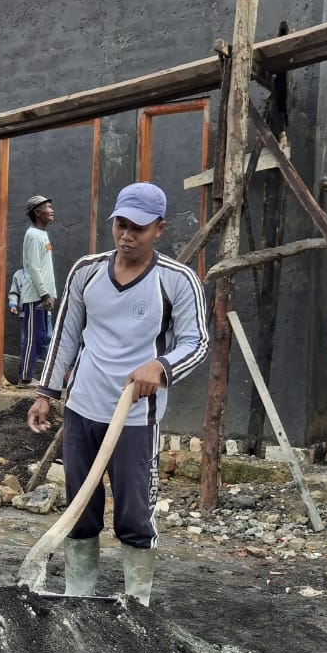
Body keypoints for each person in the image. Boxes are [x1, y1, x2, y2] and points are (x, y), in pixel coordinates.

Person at [27, 182, 208, 605]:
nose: (127, 236)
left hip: (135, 417)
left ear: (159, 229)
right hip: (82, 409)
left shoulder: (176, 280)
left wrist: (161, 366)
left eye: (138, 229)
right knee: (79, 507)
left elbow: (196, 342)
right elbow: (66, 334)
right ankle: (78, 598)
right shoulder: (86, 271)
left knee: (134, 514)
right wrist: (45, 393)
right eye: (120, 225)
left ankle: (136, 606)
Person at [19, 194, 58, 385]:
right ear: (37, 212)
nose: (51, 210)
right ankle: (25, 378)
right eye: (48, 207)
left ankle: (30, 376)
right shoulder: (33, 235)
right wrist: (44, 294)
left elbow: (45, 268)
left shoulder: (42, 234)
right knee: (33, 337)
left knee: (42, 336)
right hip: (35, 296)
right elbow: (34, 268)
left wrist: (50, 294)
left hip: (43, 296)